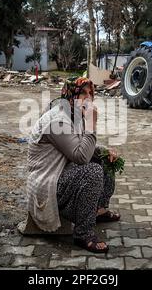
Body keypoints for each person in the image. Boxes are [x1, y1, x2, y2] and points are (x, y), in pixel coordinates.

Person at [26, 76, 120, 253]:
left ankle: (98, 210)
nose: (88, 98)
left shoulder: (74, 115)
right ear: (70, 95)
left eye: (90, 93)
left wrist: (105, 151)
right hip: (48, 182)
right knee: (92, 171)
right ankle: (83, 233)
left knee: (104, 158)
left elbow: (82, 146)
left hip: (63, 171)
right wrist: (92, 124)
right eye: (82, 93)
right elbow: (81, 156)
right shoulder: (57, 121)